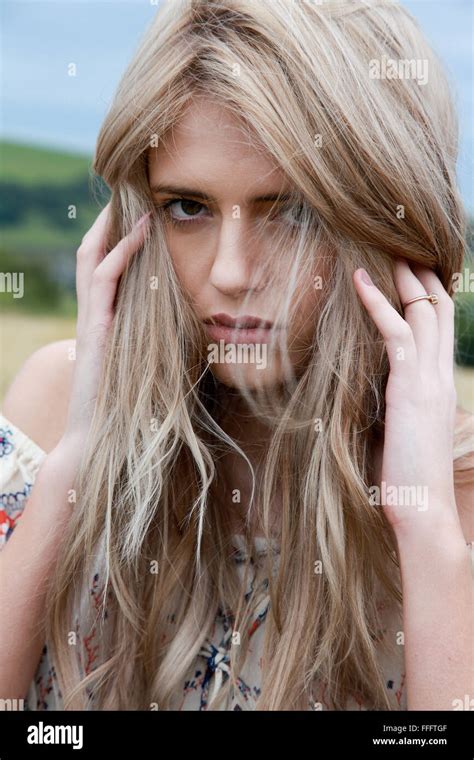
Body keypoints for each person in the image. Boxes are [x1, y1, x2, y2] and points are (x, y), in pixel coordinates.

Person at [1, 0, 473, 711]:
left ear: (386, 224)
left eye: (294, 211)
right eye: (186, 206)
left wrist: (426, 527)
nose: (229, 272)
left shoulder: (456, 502)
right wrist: (83, 455)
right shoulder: (56, 405)